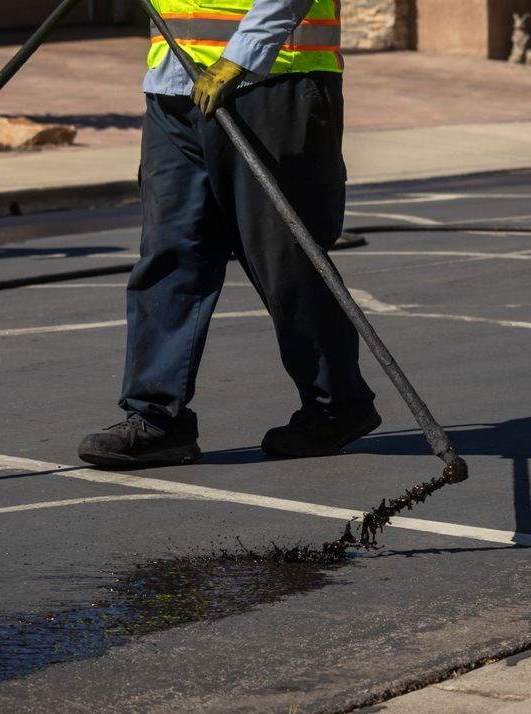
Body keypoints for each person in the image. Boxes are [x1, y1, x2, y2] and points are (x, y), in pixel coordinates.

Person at [77, 0, 380, 468]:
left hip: (272, 80)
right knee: (170, 252)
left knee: (284, 256)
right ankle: (157, 417)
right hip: (175, 85)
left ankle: (337, 405)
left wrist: (241, 57)